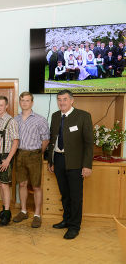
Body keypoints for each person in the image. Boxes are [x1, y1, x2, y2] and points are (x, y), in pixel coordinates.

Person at [48, 90, 93, 240]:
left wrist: (87, 165)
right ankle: (66, 220)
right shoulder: (55, 116)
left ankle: (74, 226)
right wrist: (51, 161)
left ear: (72, 101)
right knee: (65, 195)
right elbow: (52, 140)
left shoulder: (83, 116)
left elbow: (88, 144)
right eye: (59, 100)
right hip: (59, 161)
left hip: (75, 163)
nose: (62, 102)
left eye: (65, 99)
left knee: (75, 196)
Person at [13, 92, 49, 228]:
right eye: (22, 100)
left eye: (27, 101)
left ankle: (37, 215)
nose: (24, 103)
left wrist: (39, 153)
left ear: (32, 102)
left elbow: (45, 140)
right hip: (20, 154)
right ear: (20, 102)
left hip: (34, 155)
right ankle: (23, 211)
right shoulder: (15, 120)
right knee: (22, 184)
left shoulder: (40, 119)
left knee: (36, 186)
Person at [0, 96, 19, 226]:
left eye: (1, 105)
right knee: (0, 184)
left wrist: (8, 160)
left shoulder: (11, 121)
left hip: (6, 156)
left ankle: (7, 213)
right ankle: (3, 209)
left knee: (5, 185)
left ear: (6, 106)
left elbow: (16, 142)